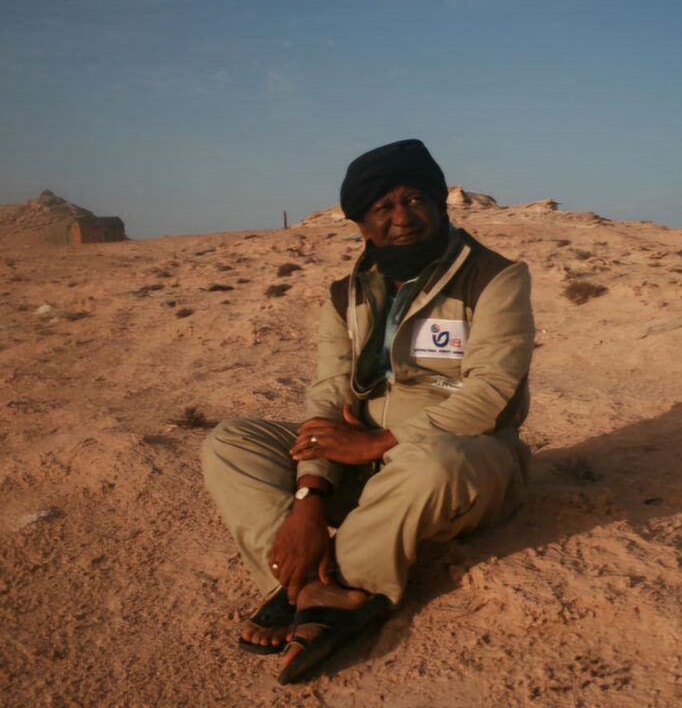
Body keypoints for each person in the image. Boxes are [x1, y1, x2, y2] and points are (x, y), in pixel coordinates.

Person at [200, 139, 535, 684]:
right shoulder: (345, 295)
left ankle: (347, 586)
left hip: (468, 456)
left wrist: (380, 442)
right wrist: (311, 495)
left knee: (432, 464)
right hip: (366, 459)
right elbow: (329, 394)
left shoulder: (495, 277)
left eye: (415, 201)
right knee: (230, 441)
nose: (402, 218)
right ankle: (302, 579)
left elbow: (492, 390)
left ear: (439, 205)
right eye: (383, 207)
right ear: (361, 223)